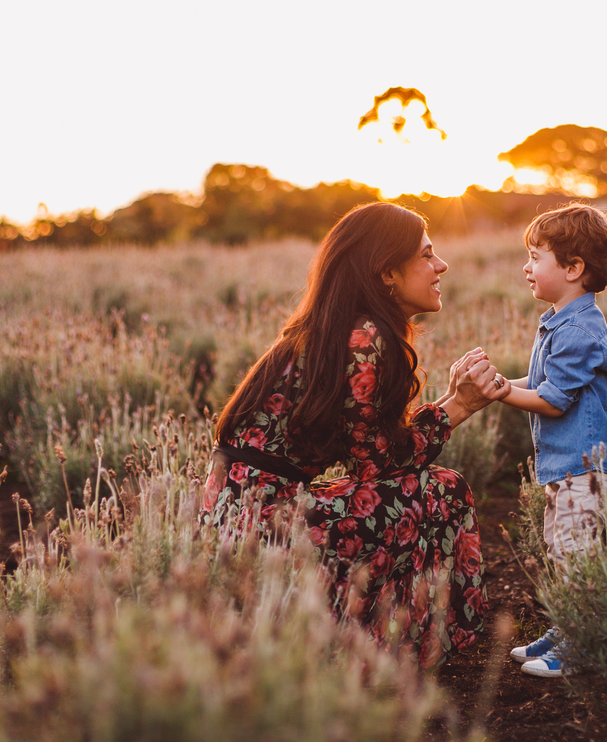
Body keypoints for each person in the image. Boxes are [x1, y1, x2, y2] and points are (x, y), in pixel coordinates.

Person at [201, 201, 510, 668]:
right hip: (265, 529)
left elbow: (378, 453)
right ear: (386, 272)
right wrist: (461, 405)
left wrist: (451, 402)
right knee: (443, 492)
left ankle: (354, 639)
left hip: (237, 519)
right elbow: (382, 467)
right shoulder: (365, 338)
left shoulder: (338, 328)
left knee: (414, 491)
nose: (440, 264)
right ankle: (395, 651)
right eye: (427, 255)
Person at [497, 203, 607, 677]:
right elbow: (542, 383)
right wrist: (502, 384)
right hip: (566, 462)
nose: (526, 267)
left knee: (578, 554)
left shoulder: (578, 329)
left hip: (588, 465)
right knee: (561, 548)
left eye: (537, 257)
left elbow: (553, 401)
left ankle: (582, 643)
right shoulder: (560, 320)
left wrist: (500, 394)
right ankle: (568, 624)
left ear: (574, 269)